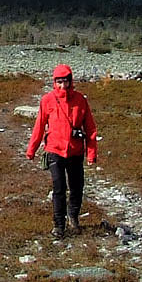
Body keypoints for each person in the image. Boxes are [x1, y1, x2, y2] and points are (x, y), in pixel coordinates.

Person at [25, 63, 98, 239]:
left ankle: (73, 215)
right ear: (54, 82)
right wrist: (31, 150)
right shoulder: (47, 100)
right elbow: (39, 126)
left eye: (65, 81)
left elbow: (90, 128)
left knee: (77, 187)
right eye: (59, 82)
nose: (62, 85)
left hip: (75, 151)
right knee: (59, 187)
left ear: (71, 81)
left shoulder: (81, 100)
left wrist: (91, 153)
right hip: (54, 150)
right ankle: (59, 225)